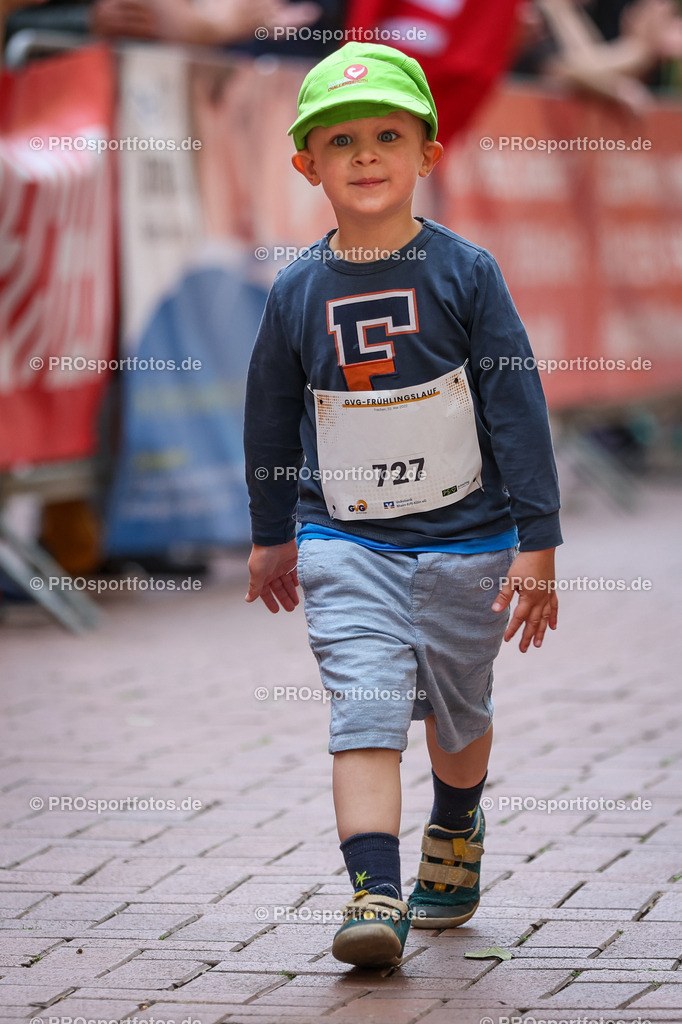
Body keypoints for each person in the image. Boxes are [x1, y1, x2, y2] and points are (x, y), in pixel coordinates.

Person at [243, 41, 561, 970]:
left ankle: (454, 825)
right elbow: (269, 420)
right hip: (345, 541)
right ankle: (374, 892)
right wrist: (272, 536)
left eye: (390, 134)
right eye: (341, 141)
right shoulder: (297, 290)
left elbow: (518, 409)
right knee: (366, 705)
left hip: (469, 544)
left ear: (430, 152)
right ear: (308, 165)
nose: (367, 153)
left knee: (458, 713)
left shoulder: (467, 275)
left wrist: (538, 544)